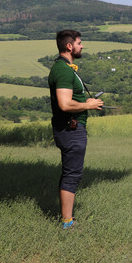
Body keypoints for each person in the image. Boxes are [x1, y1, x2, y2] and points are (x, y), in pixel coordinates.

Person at [48, 30, 103, 229]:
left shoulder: (65, 68)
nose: (82, 46)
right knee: (72, 174)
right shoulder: (62, 70)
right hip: (71, 129)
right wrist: (88, 106)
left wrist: (86, 101)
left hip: (71, 128)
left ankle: (67, 220)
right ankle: (67, 222)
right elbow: (64, 104)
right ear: (69, 46)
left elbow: (70, 99)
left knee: (72, 173)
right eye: (79, 43)